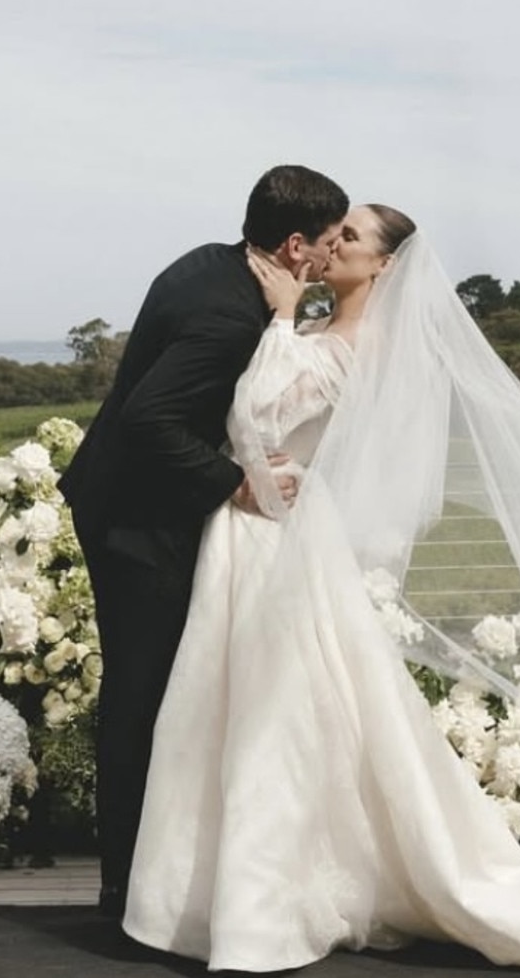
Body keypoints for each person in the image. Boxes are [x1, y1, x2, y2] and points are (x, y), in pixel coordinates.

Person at [124, 204, 520, 977]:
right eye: (335, 234)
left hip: (278, 532)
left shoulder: (363, 340)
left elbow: (259, 414)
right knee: (234, 707)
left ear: (385, 267)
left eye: (351, 239)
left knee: (275, 716)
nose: (335, 245)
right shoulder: (324, 331)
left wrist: (283, 312)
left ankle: (265, 906)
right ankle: (214, 894)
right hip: (255, 526)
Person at [57, 165, 349, 917]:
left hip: (126, 502)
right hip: (138, 524)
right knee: (141, 694)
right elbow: (148, 419)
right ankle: (125, 887)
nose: (325, 258)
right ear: (291, 244)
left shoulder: (212, 262)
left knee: (153, 692)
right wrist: (236, 484)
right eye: (322, 244)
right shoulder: (227, 315)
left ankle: (151, 871)